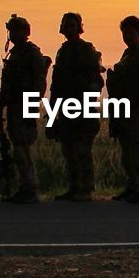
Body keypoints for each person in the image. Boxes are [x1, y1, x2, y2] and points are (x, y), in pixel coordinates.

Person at [48, 13, 104, 202]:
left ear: (78, 28)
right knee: (68, 149)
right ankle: (74, 186)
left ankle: (86, 188)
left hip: (82, 106)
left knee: (82, 149)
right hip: (65, 106)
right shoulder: (62, 51)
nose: (69, 29)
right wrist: (53, 112)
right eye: (66, 25)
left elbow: (97, 81)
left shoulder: (86, 50)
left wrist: (87, 105)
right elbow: (56, 85)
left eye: (72, 25)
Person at [105, 15, 139, 204]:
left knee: (137, 150)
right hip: (124, 108)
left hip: (135, 109)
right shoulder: (127, 54)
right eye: (125, 33)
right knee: (127, 151)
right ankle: (133, 186)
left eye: (131, 33)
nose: (127, 36)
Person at [0, 15, 50, 204]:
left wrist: (32, 104)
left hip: (25, 104)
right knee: (18, 146)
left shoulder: (31, 53)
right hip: (14, 105)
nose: (14, 33)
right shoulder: (15, 54)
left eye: (18, 30)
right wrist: (0, 103)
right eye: (12, 30)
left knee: (22, 146)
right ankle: (24, 187)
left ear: (26, 32)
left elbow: (39, 81)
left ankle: (30, 188)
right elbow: (6, 82)